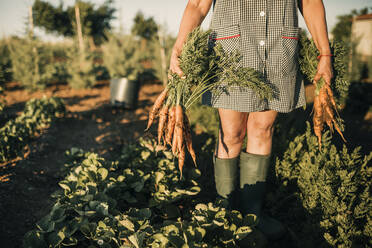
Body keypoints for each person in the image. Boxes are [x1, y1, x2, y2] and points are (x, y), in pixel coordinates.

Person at [169, 0, 333, 240]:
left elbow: (309, 2)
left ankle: (252, 215)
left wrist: (325, 53)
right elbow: (197, 4)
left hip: (279, 50)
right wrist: (178, 49)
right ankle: (225, 214)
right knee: (232, 133)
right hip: (231, 53)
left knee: (263, 129)